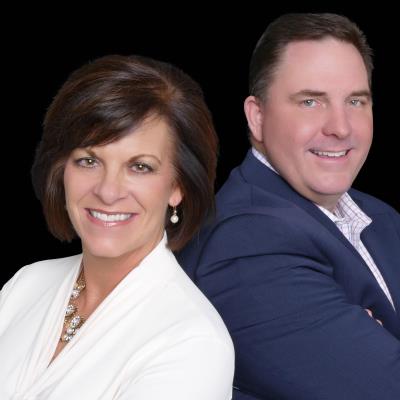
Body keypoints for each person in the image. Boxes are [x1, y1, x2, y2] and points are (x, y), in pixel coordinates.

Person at [178, 13, 400, 399]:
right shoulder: (244, 242)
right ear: (257, 117)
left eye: (355, 101)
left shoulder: (380, 217)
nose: (340, 127)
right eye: (310, 101)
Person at [0, 55, 234, 399]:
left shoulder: (193, 343)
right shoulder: (26, 285)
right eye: (88, 161)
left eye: (140, 167)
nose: (108, 191)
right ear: (62, 171)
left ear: (178, 186)